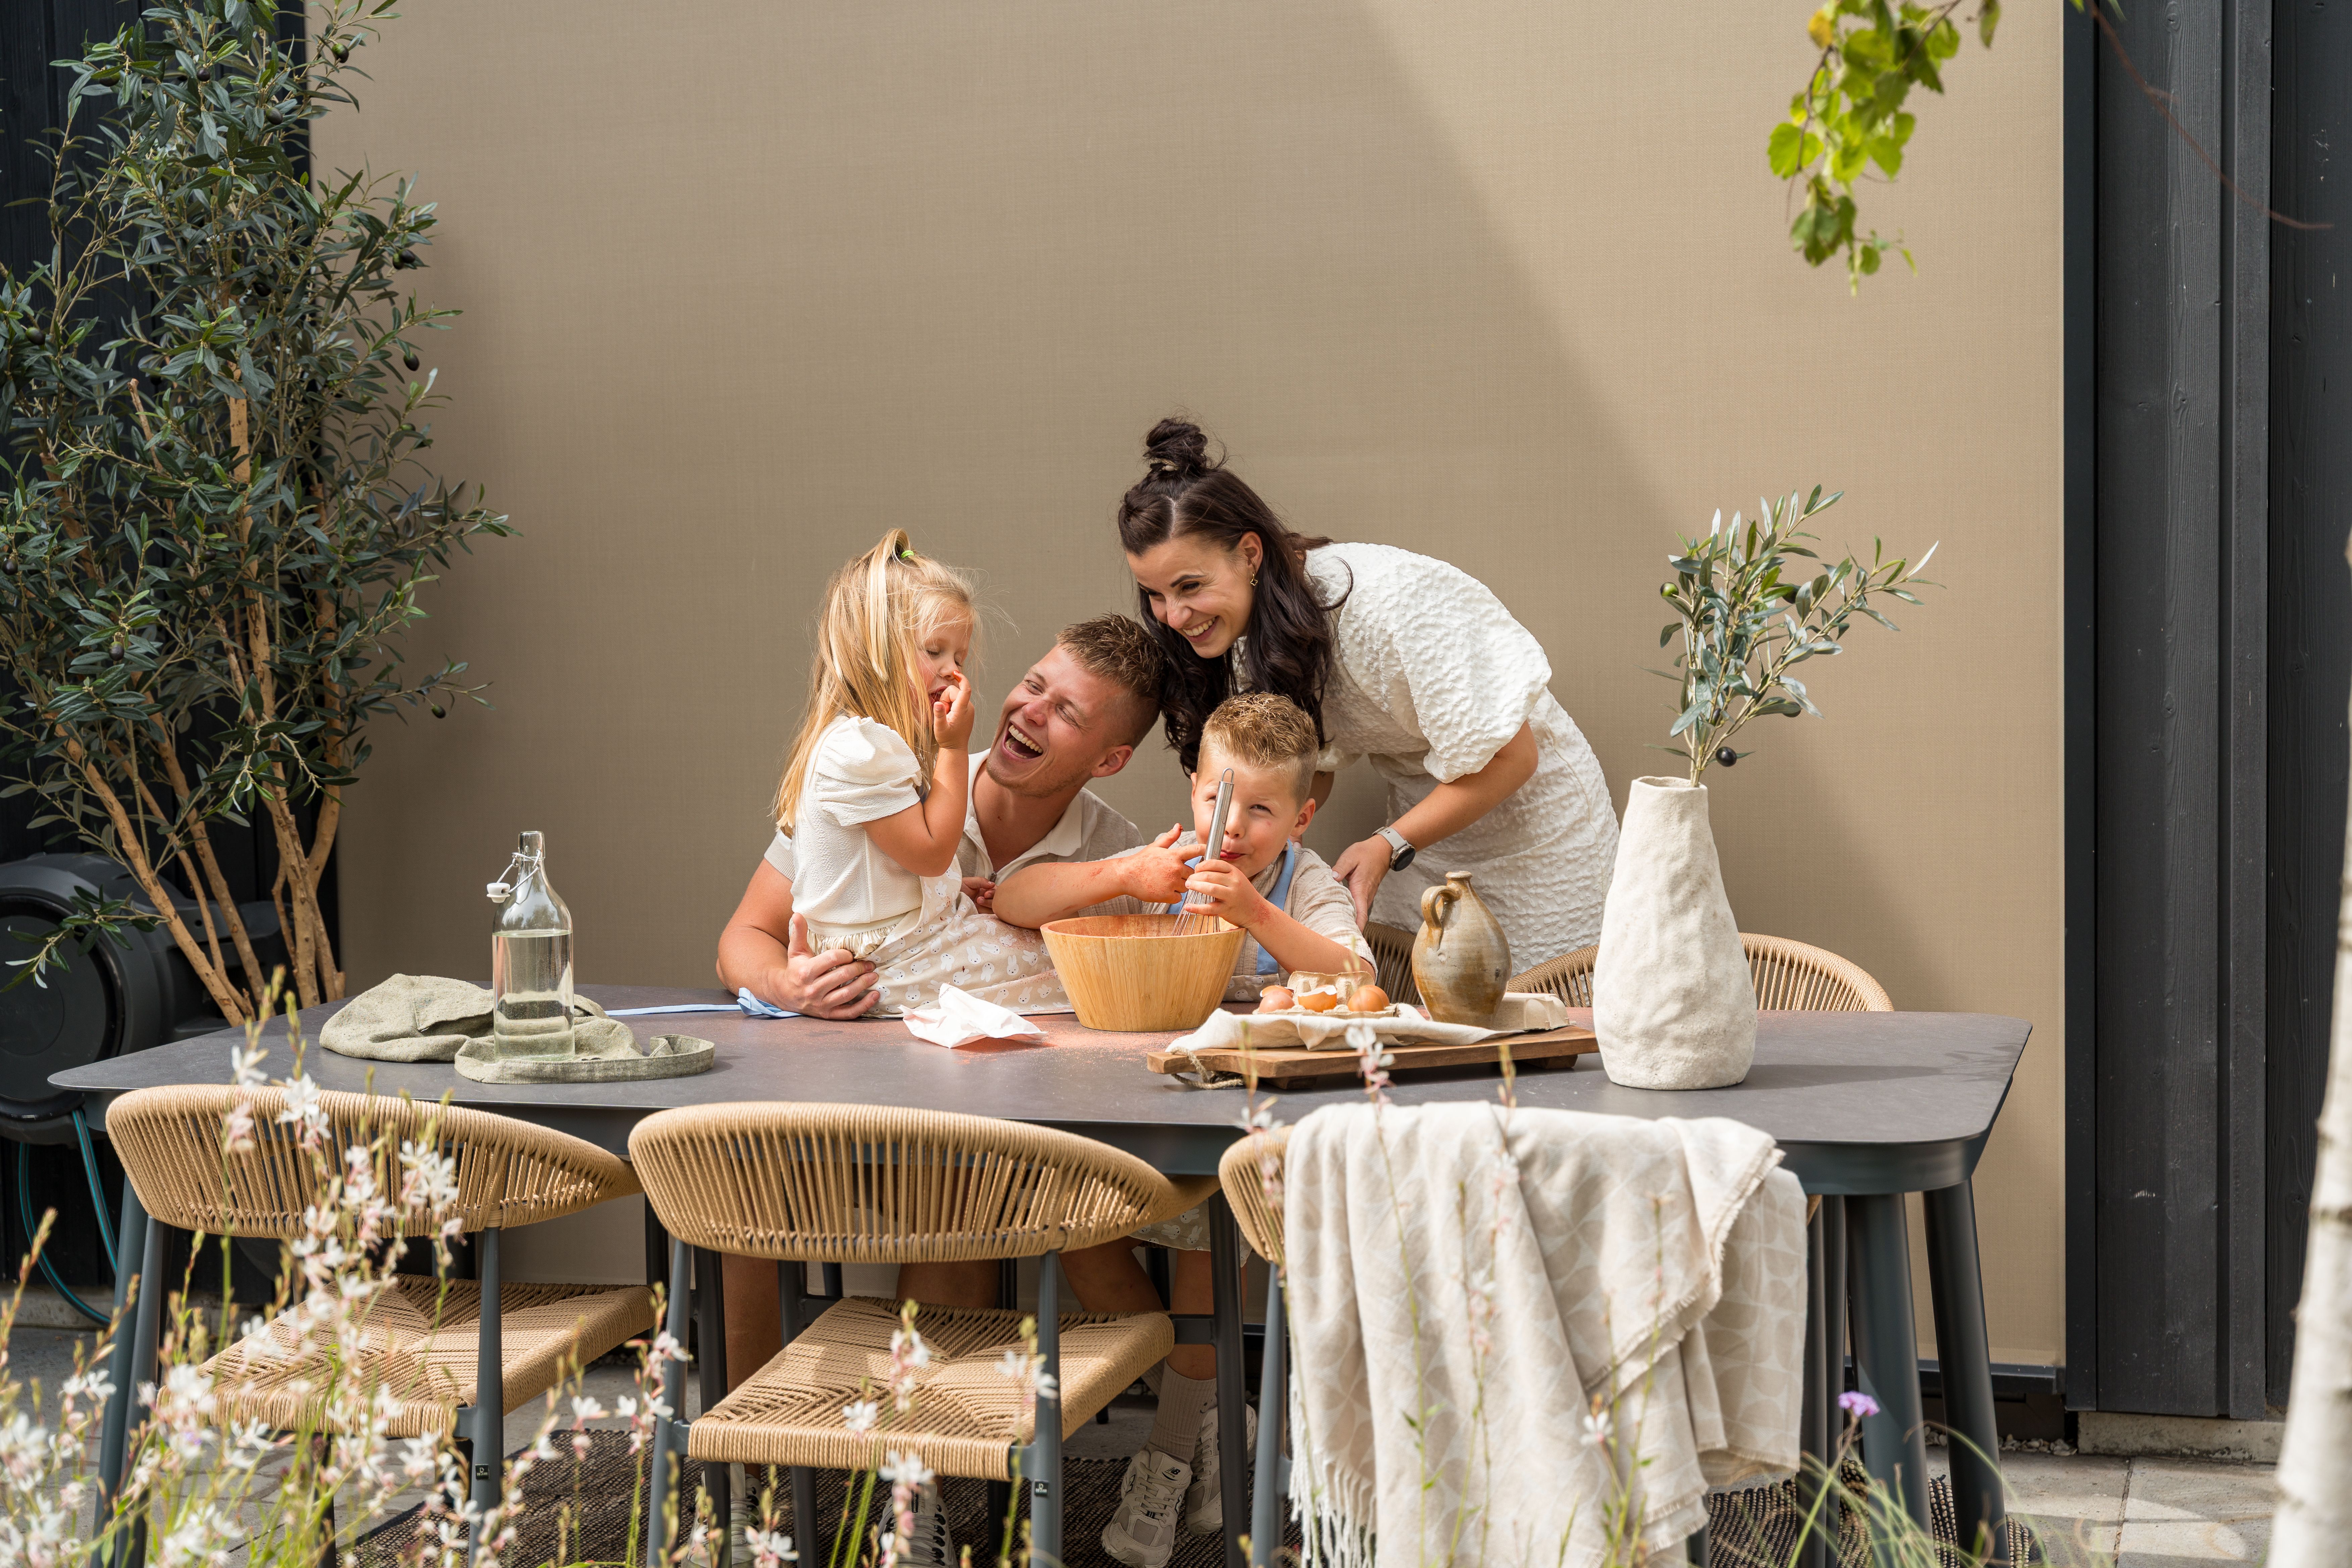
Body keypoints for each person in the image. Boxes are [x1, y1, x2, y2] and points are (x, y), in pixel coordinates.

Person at [712, 609, 1167, 1568]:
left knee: (964, 1188)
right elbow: (741, 937)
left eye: (1066, 711)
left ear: (1109, 760)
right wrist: (786, 981)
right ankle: (748, 1484)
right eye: (1034, 685)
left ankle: (912, 1499)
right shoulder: (884, 781)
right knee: (736, 1190)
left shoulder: (1115, 856)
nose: (1029, 710)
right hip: (838, 1107)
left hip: (979, 1142)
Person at [994, 691, 1367, 1566]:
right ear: (1194, 790)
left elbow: (1355, 971)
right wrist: (1126, 875)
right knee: (1072, 1227)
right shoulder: (1166, 863)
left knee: (1207, 1246)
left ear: (1302, 818)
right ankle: (1215, 1415)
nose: (1231, 826)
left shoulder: (1301, 882)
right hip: (1142, 1116)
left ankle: (1164, 1460)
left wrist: (1257, 915)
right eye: (1216, 800)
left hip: (1244, 1134)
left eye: (1261, 809)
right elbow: (1015, 897)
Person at [1118, 417, 1620, 969]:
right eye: (1155, 595)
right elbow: (1307, 765)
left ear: (1250, 554)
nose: (1174, 617)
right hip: (1421, 829)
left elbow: (1514, 757)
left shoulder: (1392, 604)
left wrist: (1389, 844)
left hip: (1537, 824)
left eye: (1190, 586)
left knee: (1544, 993)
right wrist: (1259, 839)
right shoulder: (1244, 630)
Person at [759, 529, 1069, 1018]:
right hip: (890, 962)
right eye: (934, 651)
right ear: (873, 651)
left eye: (959, 657)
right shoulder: (862, 749)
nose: (953, 671)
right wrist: (955, 746)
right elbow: (931, 853)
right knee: (1059, 964)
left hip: (889, 947)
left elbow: (875, 869)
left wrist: (945, 890)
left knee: (1044, 951)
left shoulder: (855, 742)